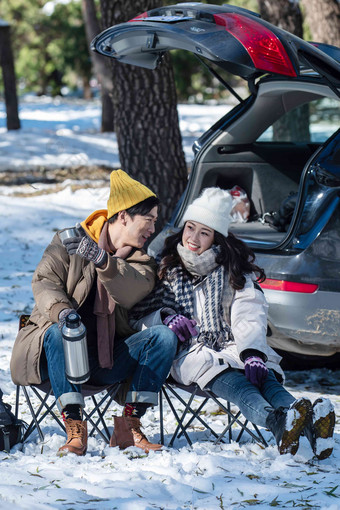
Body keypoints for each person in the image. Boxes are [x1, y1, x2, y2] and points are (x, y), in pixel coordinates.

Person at [130, 187, 335, 459]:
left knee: (267, 381)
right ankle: (281, 423)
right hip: (191, 354)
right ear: (182, 228)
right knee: (241, 387)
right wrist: (165, 317)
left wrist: (251, 353)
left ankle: (307, 428)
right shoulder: (165, 267)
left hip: (234, 345)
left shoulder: (233, 271)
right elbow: (138, 314)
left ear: (217, 238)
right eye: (190, 228)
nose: (193, 238)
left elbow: (249, 312)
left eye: (204, 232)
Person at [10, 169, 178, 456]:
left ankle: (129, 425)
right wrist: (64, 313)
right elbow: (44, 282)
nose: (153, 228)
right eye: (148, 220)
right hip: (54, 358)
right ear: (123, 216)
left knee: (163, 337)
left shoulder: (143, 261)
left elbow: (132, 290)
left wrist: (103, 261)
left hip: (106, 361)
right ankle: (75, 426)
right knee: (58, 330)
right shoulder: (68, 241)